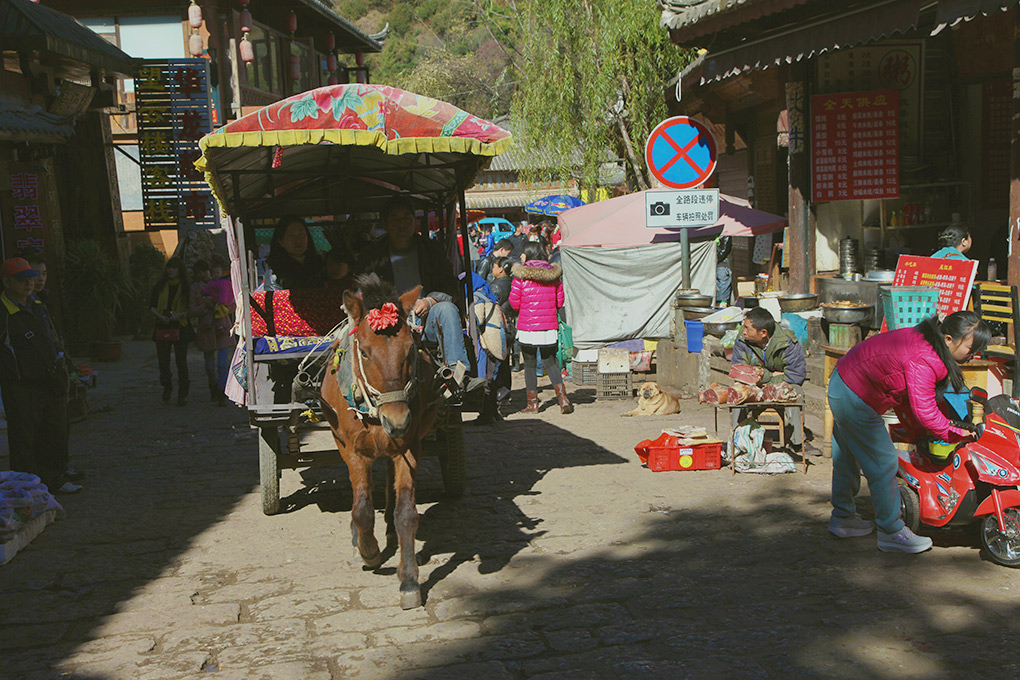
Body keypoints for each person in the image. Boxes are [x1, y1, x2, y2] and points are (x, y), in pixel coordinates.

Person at [828, 311, 990, 553]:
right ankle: (891, 532)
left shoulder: (926, 342)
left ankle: (843, 518)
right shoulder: (926, 358)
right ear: (948, 339)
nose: (973, 354)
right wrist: (954, 434)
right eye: (970, 347)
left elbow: (911, 400)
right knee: (884, 462)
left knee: (847, 458)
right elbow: (926, 412)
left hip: (844, 384)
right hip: (855, 395)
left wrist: (922, 429)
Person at [356, 197, 484, 393]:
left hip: (426, 321)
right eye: (395, 219)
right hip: (387, 325)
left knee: (447, 308)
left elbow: (451, 287)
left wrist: (430, 300)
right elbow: (363, 292)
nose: (402, 224)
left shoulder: (431, 249)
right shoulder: (372, 255)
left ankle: (460, 375)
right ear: (385, 223)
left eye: (407, 218)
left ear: (414, 221)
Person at [0, 258, 77, 493]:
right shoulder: (4, 311)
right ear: (7, 282)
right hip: (20, 386)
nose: (29, 284)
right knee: (24, 438)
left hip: (50, 380)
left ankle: (54, 479)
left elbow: (52, 336)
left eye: (31, 279)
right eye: (22, 280)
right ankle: (26, 487)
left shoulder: (37, 304)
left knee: (53, 432)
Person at [509, 242, 572, 414]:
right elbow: (560, 302)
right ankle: (563, 399)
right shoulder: (554, 277)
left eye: (522, 253)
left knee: (529, 365)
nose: (520, 256)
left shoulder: (520, 277)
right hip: (548, 327)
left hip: (527, 327)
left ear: (528, 254)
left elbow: (514, 303)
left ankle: (533, 404)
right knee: (550, 363)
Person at [731, 307, 807, 448]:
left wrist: (765, 379)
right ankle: (737, 438)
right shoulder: (742, 340)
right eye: (744, 327)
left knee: (796, 392)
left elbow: (795, 375)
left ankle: (798, 441)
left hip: (780, 385)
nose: (744, 331)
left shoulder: (787, 342)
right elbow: (739, 371)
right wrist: (771, 375)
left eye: (748, 328)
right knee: (737, 392)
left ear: (763, 333)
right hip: (753, 386)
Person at [189, 259, 234, 405]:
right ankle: (213, 386)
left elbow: (232, 304)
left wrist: (221, 306)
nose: (203, 274)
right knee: (209, 365)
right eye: (199, 272)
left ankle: (222, 390)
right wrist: (206, 306)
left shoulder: (223, 284)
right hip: (206, 329)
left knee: (222, 363)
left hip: (222, 328)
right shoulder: (195, 289)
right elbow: (192, 310)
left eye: (205, 271)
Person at [151, 257, 191, 406]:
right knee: (163, 361)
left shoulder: (186, 287)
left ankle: (183, 392)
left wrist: (178, 316)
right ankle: (167, 386)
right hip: (162, 325)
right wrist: (161, 316)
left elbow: (190, 308)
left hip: (180, 326)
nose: (171, 270)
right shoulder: (160, 286)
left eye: (174, 268)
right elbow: (152, 305)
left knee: (181, 362)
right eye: (169, 267)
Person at [264, 217, 325, 290]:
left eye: (301, 234)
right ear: (281, 242)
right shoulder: (275, 273)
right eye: (291, 235)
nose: (298, 240)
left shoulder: (320, 264)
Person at [716, 235, 733, 305]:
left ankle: (718, 304)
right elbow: (725, 250)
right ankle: (722, 305)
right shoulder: (726, 235)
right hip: (722, 265)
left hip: (715, 264)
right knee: (724, 286)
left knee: (718, 286)